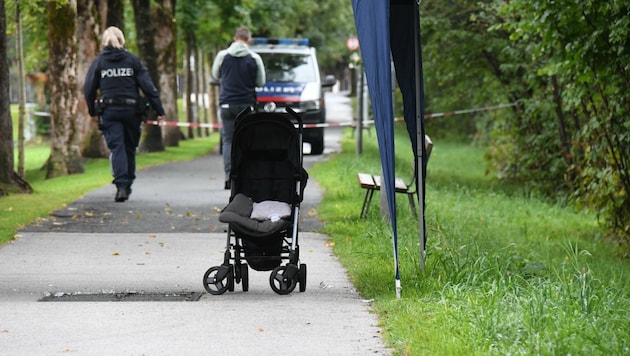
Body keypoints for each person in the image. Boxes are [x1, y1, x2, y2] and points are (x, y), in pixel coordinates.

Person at [84, 26, 166, 202]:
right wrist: (159, 111)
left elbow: (89, 89)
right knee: (129, 147)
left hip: (110, 112)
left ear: (103, 42)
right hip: (131, 112)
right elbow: (148, 87)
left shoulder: (99, 63)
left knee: (117, 147)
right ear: (122, 41)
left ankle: (121, 185)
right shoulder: (132, 61)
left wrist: (92, 111)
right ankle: (127, 183)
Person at [211, 27, 265, 189]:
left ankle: (229, 176)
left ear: (235, 39)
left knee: (228, 140)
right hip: (247, 105)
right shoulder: (255, 58)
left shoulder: (222, 56)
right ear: (249, 40)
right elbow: (261, 82)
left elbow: (215, 75)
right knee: (246, 140)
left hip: (227, 104)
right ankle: (245, 176)